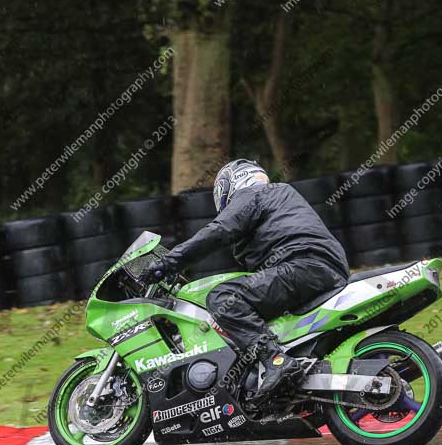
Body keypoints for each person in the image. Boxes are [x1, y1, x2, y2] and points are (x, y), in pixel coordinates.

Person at [142, 159, 350, 399]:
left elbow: (218, 231)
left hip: (302, 266)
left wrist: (169, 262)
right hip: (321, 268)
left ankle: (277, 361)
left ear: (232, 183)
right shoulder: (279, 196)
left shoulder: (254, 194)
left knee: (224, 297)